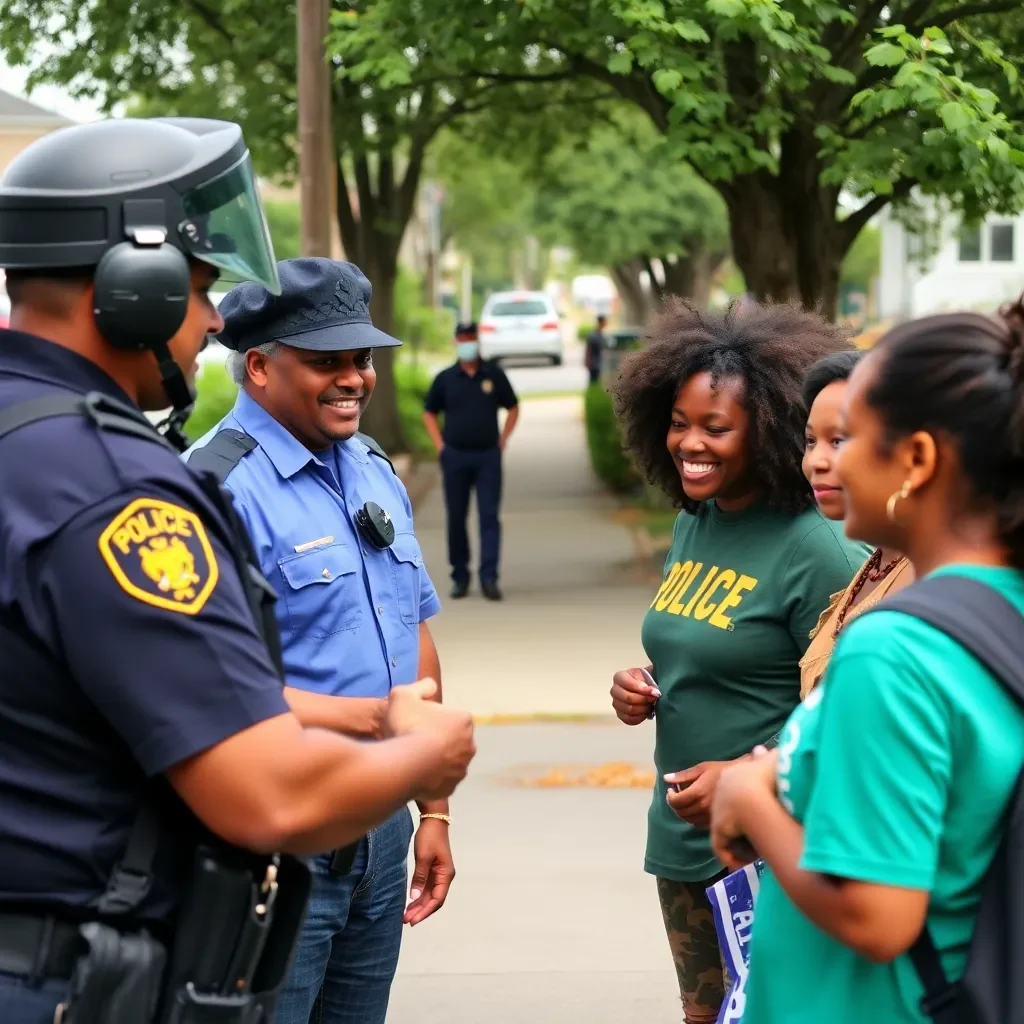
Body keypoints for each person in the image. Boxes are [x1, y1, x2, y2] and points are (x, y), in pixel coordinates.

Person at [0, 116, 476, 1024]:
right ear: (131, 290)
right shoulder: (114, 487)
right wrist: (425, 748)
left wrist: (415, 785)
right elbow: (265, 790)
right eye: (197, 288)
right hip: (70, 969)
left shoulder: (28, 438)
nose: (210, 318)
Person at [711, 306, 1024, 1024]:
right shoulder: (1000, 611)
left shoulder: (896, 652)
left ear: (914, 460)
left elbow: (878, 917)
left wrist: (750, 798)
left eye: (850, 435)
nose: (826, 458)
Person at [184, 257, 454, 1024]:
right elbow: (200, 689)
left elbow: (412, 635)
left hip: (380, 831)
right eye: (325, 362)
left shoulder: (371, 468)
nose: (354, 379)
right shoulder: (210, 489)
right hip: (279, 846)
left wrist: (432, 810)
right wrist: (375, 724)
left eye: (361, 359)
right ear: (260, 367)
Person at [607, 299, 868, 1024]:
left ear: (771, 430)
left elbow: (852, 712)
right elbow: (706, 641)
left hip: (767, 853)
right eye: (680, 422)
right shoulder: (700, 520)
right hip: (682, 844)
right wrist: (643, 684)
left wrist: (748, 777)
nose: (690, 442)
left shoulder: (818, 547)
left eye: (715, 428)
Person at [798, 350, 913, 697]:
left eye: (840, 440)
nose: (816, 460)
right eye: (810, 441)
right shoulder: (877, 562)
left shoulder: (931, 580)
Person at [422, 321, 520, 600]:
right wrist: (439, 444)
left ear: (478, 340)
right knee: (456, 517)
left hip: (488, 455)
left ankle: (489, 577)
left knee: (489, 517)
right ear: (456, 342)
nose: (467, 343)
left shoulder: (494, 375)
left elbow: (513, 406)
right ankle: (460, 575)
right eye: (463, 338)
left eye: (471, 338)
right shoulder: (446, 378)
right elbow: (429, 412)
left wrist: (504, 438)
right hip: (455, 456)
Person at [585, 313, 608, 384]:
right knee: (594, 382)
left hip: (597, 363)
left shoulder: (599, 334)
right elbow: (589, 350)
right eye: (605, 321)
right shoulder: (595, 335)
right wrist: (588, 362)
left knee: (596, 383)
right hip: (594, 364)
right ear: (602, 321)